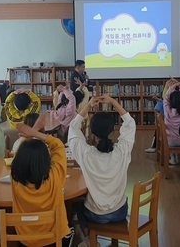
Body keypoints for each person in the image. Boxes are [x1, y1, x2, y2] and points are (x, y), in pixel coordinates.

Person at [68, 95, 136, 247]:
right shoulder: (122, 151)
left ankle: (88, 240)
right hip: (120, 212)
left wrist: (88, 106)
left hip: (95, 215)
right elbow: (130, 123)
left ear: (91, 132)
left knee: (77, 204)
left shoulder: (86, 154)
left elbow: (73, 129)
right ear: (113, 130)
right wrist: (113, 102)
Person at [11, 123, 74, 247]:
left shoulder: (15, 180)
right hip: (54, 239)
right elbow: (58, 145)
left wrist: (28, 137)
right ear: (46, 159)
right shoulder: (55, 176)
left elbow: (19, 158)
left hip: (25, 240)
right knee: (72, 226)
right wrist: (34, 133)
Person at [163, 79, 180, 165]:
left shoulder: (167, 110)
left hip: (171, 142)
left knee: (172, 135)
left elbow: (166, 98)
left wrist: (172, 87)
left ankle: (174, 158)